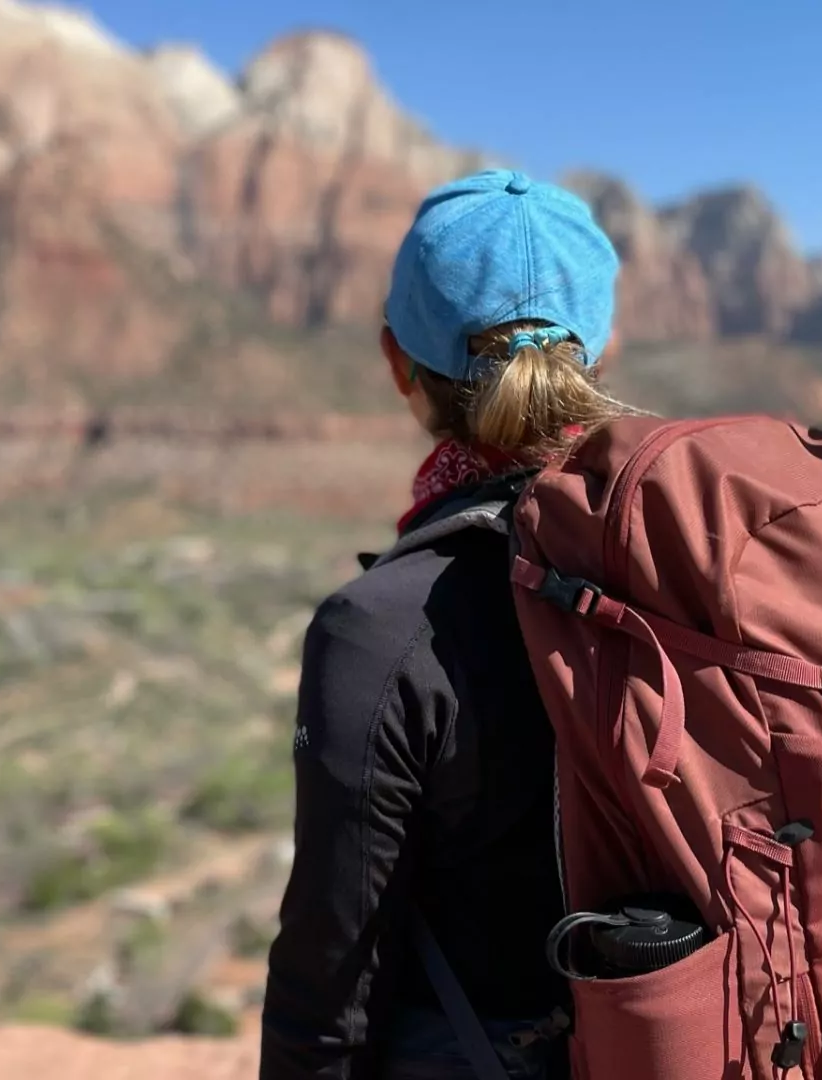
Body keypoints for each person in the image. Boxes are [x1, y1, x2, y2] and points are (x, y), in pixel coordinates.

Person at [258, 168, 635, 1080]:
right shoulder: (698, 561)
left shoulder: (380, 630)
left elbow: (332, 989)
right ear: (604, 350)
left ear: (399, 363)